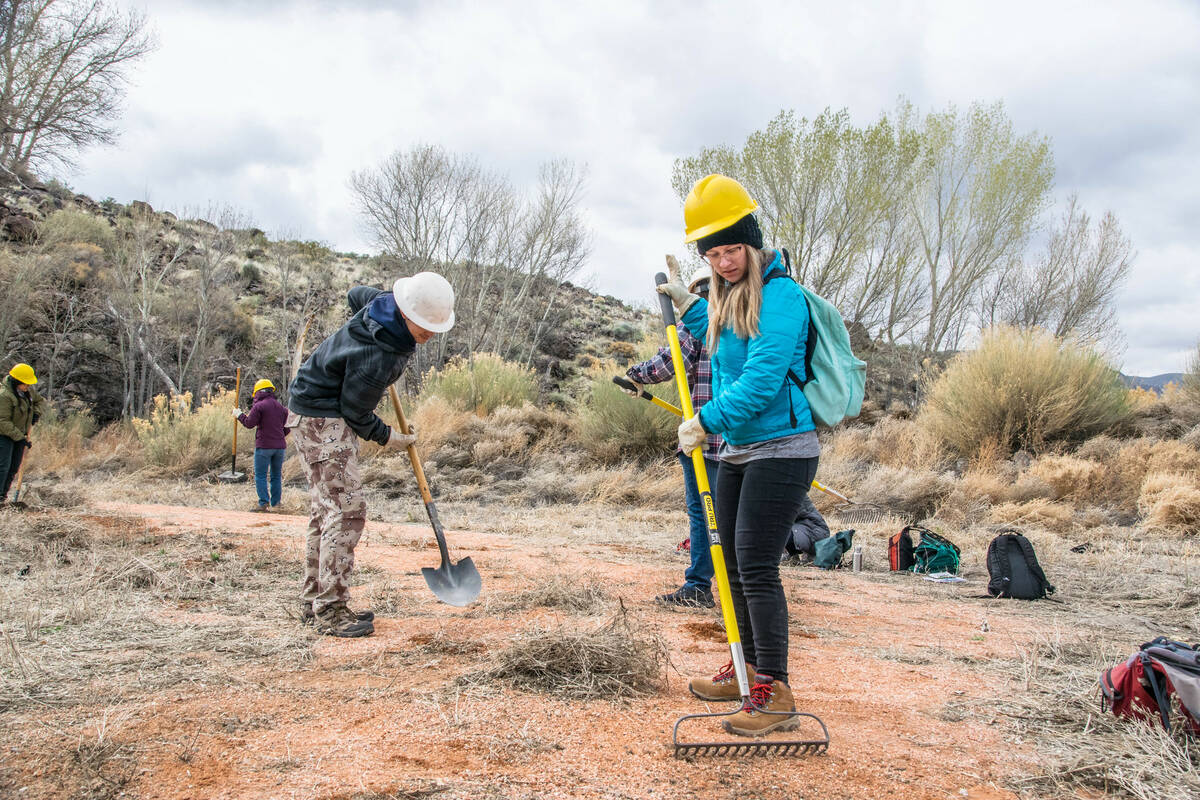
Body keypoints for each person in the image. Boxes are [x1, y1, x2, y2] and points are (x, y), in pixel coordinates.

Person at [658, 174, 821, 737]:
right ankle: (744, 668)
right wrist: (689, 304)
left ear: (752, 242)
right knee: (725, 565)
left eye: (732, 249)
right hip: (740, 451)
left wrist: (704, 422)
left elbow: (761, 378)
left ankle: (773, 691)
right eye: (713, 252)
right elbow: (725, 339)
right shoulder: (726, 293)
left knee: (754, 565)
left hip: (783, 450)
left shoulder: (782, 295)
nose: (724, 261)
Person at [286, 272, 455, 638]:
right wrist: (389, 436)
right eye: (424, 327)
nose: (429, 334)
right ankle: (330, 611)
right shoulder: (380, 356)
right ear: (406, 312)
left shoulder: (380, 303)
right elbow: (355, 412)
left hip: (308, 409)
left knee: (326, 511)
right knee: (346, 511)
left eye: (435, 327)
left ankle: (315, 602)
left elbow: (353, 293)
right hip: (323, 417)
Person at [623, 267, 720, 609]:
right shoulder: (744, 318)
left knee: (703, 513)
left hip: (703, 441)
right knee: (729, 515)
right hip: (743, 441)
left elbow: (668, 363)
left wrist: (633, 374)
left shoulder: (697, 323)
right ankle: (738, 587)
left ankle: (698, 585)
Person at [233, 378, 290, 512]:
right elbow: (287, 428)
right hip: (280, 448)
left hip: (264, 446)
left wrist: (239, 415)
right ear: (271, 391)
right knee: (276, 476)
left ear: (258, 392)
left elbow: (249, 423)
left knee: (261, 475)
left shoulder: (259, 406)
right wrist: (278, 436)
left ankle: (263, 503)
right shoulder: (282, 408)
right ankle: (276, 504)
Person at [0, 363, 45, 506]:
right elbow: (2, 421)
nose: (27, 387)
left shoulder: (27, 393)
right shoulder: (4, 395)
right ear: (16, 382)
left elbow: (40, 402)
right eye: (25, 384)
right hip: (4, 436)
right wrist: (19, 438)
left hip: (20, 436)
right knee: (3, 467)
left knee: (14, 467)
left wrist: (35, 413)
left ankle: (3, 497)